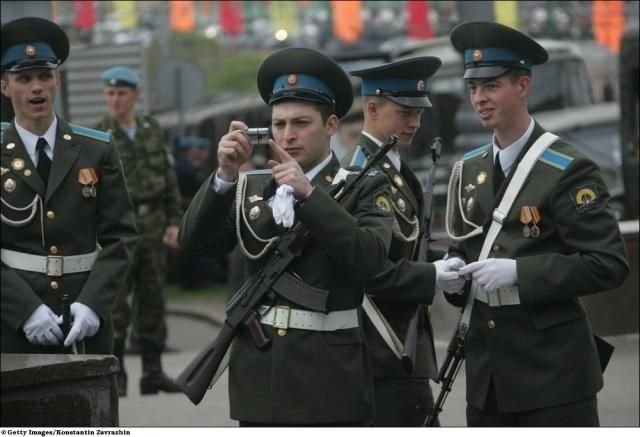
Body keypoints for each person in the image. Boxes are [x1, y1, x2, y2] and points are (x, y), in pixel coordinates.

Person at [178, 47, 395, 426]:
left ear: (331, 125)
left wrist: (310, 197)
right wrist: (224, 176)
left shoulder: (364, 185)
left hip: (328, 380)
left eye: (300, 123)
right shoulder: (253, 189)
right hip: (261, 379)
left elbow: (371, 260)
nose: (288, 135)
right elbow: (195, 243)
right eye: (278, 125)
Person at [441, 21, 629, 426]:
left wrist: (520, 272)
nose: (479, 98)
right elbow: (468, 250)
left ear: (523, 86)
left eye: (492, 86)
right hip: (487, 377)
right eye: (473, 88)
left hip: (553, 375)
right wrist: (455, 280)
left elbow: (608, 263)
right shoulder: (469, 169)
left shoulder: (566, 169)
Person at [0, 17, 137, 354]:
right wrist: (25, 310)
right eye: (24, 78)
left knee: (89, 407)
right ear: (4, 87)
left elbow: (121, 238)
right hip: (13, 322)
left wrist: (93, 305)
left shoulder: (96, 148)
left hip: (82, 319)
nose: (36, 88)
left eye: (45, 76)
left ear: (57, 81)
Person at [341, 57, 457, 426]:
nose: (416, 122)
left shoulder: (391, 167)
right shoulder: (359, 175)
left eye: (419, 112)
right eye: (405, 111)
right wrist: (430, 276)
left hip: (400, 346)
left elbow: (406, 246)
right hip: (381, 347)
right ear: (371, 108)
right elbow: (368, 269)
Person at [95, 66, 182, 396]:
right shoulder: (98, 136)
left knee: (154, 298)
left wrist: (174, 221)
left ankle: (153, 372)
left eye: (121, 93)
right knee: (116, 303)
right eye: (110, 94)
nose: (115, 99)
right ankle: (116, 374)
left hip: (154, 223)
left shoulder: (151, 129)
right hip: (119, 230)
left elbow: (169, 179)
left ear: (136, 95)